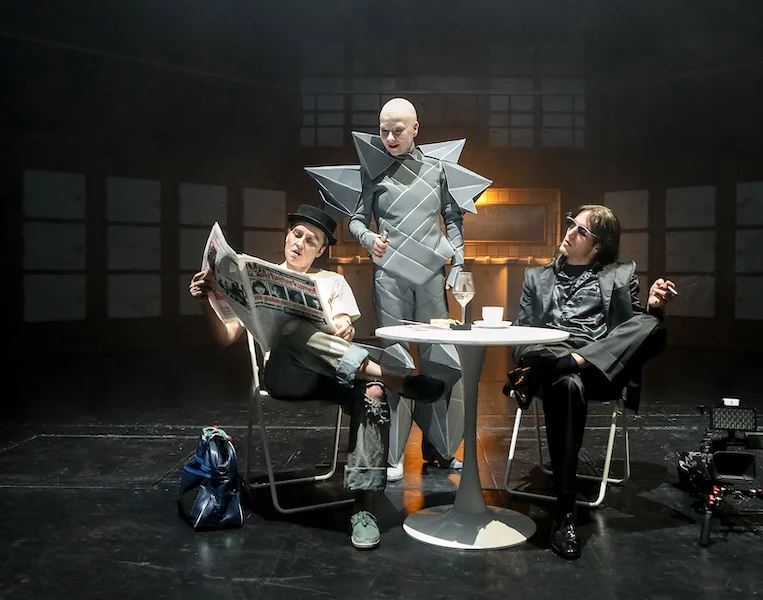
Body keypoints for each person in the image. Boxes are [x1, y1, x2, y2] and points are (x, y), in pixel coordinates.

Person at [188, 204, 447, 549]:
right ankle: (393, 377)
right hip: (285, 376)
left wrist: (344, 327)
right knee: (293, 330)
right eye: (297, 235)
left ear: (321, 250)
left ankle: (364, 507)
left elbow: (343, 324)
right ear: (287, 236)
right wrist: (205, 302)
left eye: (311, 241)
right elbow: (226, 337)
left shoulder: (333, 281)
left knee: (372, 393)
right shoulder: (255, 279)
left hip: (332, 373)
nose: (300, 243)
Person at [505, 204, 676, 560]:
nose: (569, 232)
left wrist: (653, 307)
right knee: (567, 383)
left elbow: (637, 334)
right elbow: (520, 337)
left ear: (598, 246)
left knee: (652, 325)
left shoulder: (621, 274)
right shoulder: (536, 277)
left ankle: (573, 361)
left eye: (581, 230)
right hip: (552, 364)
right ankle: (565, 511)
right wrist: (540, 359)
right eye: (571, 224)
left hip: (601, 368)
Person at [342, 97, 491, 481]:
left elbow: (453, 218)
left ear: (415, 129)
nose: (390, 138)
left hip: (430, 276)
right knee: (394, 365)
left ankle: (441, 450)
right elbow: (355, 219)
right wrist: (367, 237)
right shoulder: (373, 169)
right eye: (384, 131)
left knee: (442, 361)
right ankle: (391, 455)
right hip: (389, 277)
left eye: (398, 130)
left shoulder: (438, 168)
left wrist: (458, 262)